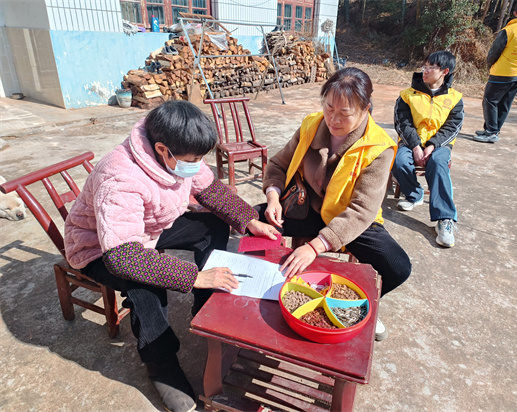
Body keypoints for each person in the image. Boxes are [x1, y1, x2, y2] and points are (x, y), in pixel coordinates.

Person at [64, 101, 278, 412]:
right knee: (145, 284)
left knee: (214, 224)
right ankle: (161, 365)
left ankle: (206, 308)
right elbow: (123, 257)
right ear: (162, 149)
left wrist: (248, 219)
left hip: (148, 230)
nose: (197, 165)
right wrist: (195, 277)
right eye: (193, 160)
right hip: (99, 247)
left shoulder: (178, 149)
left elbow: (209, 189)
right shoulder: (120, 178)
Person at [256, 67, 412, 342]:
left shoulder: (379, 147)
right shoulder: (311, 125)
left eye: (344, 113)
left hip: (349, 218)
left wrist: (314, 247)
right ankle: (264, 289)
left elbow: (362, 210)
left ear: (365, 109)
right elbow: (279, 164)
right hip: (307, 207)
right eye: (329, 108)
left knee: (397, 266)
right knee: (249, 219)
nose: (333, 119)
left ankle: (358, 305)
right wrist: (272, 197)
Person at [392, 51, 463, 248]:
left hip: (439, 144)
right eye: (424, 66)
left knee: (438, 163)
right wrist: (415, 146)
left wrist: (432, 145)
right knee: (398, 161)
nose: (425, 70)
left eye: (431, 67)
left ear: (445, 72)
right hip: (410, 142)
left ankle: (445, 219)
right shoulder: (407, 95)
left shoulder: (455, 98)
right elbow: (402, 123)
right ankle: (415, 194)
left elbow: (453, 127)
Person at [474, 0, 517, 143]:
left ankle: (491, 132)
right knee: (505, 104)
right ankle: (494, 130)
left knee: (490, 101)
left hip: (502, 72)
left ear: (515, 13)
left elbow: (493, 52)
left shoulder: (509, 30)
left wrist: (490, 66)